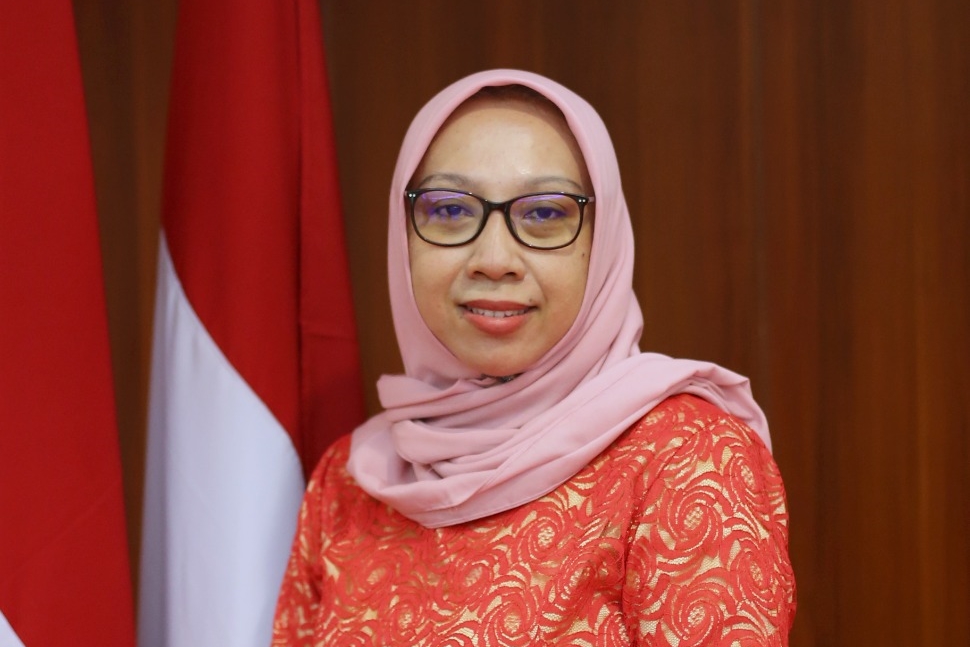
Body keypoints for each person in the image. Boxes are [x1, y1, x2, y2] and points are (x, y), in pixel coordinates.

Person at [272, 69, 795, 646]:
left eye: (544, 214)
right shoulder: (349, 480)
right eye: (450, 210)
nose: (495, 259)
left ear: (603, 241)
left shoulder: (688, 459)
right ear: (405, 237)